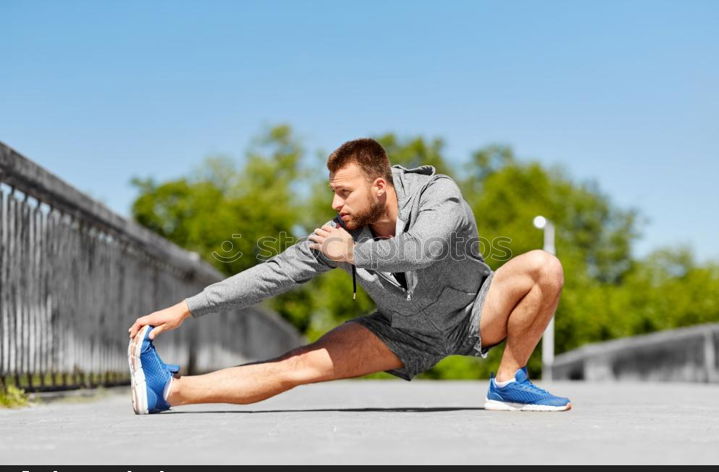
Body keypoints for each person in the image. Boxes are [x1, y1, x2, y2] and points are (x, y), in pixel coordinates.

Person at [127, 138, 571, 414]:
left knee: (542, 266)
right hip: (403, 333)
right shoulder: (341, 235)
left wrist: (354, 254)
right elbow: (274, 273)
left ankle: (509, 382)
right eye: (333, 193)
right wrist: (186, 308)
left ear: (379, 186)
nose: (337, 204)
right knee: (297, 364)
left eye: (344, 192)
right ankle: (169, 391)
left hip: (475, 311)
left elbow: (421, 251)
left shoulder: (440, 196)